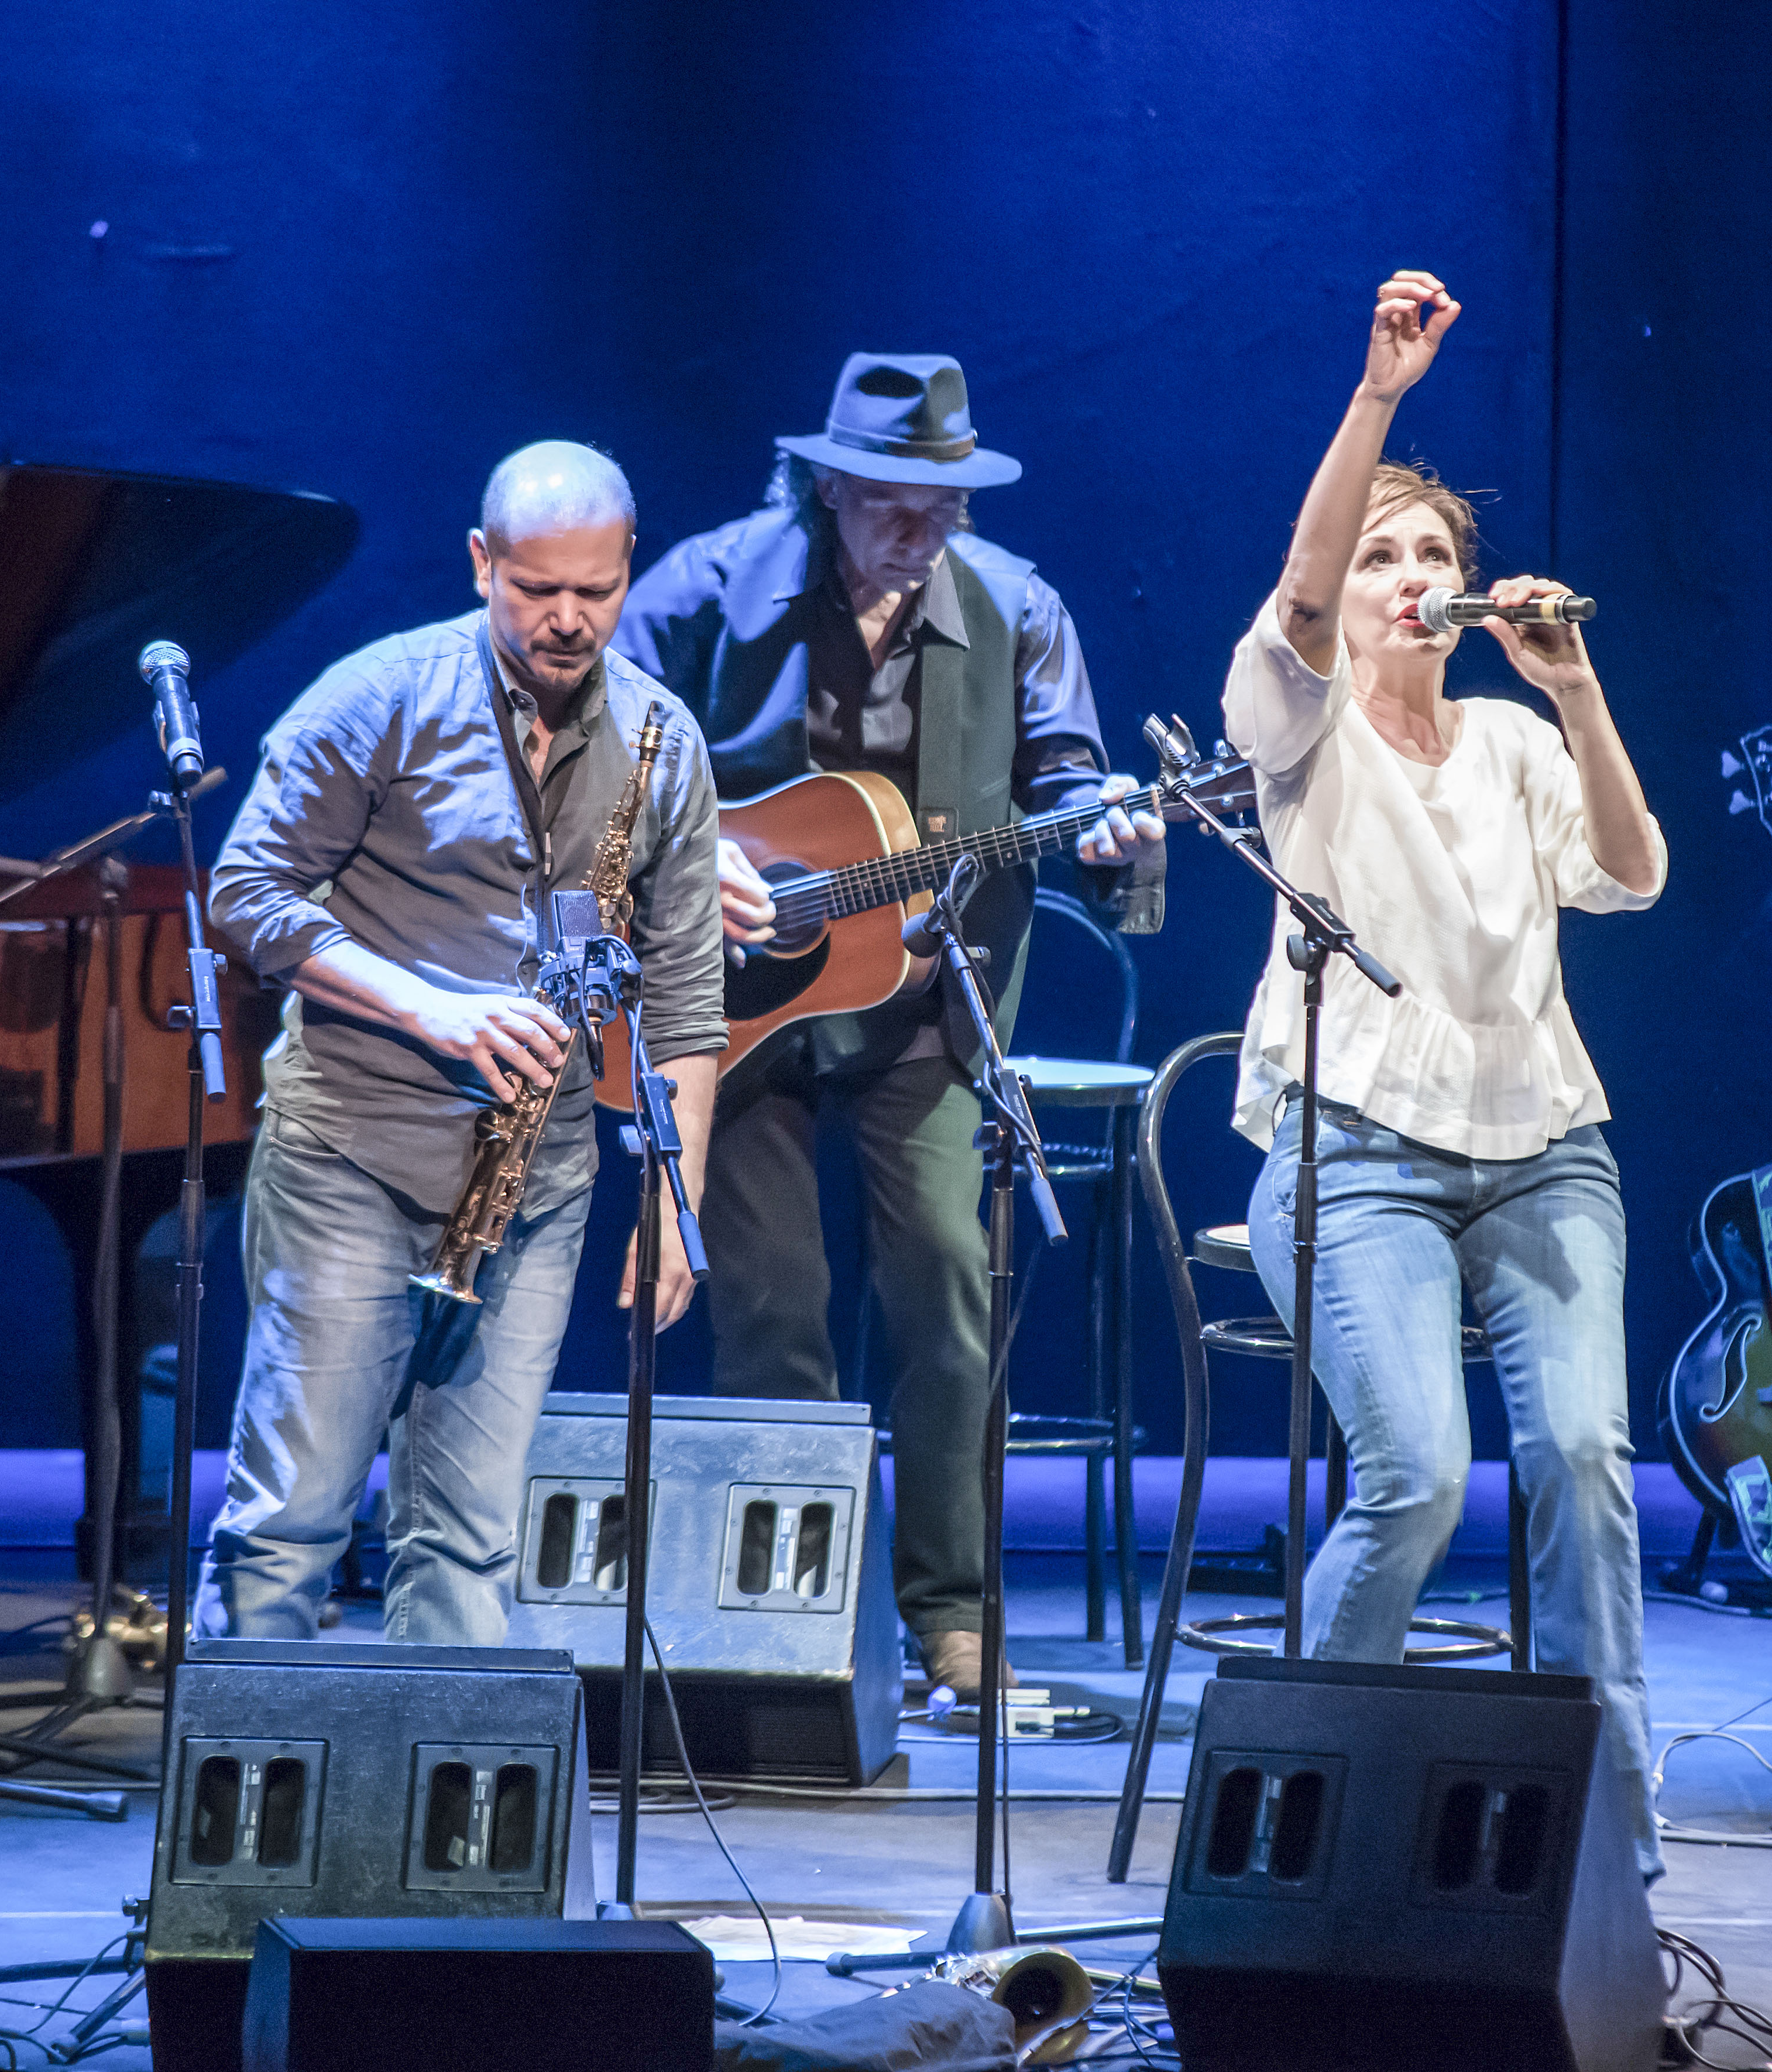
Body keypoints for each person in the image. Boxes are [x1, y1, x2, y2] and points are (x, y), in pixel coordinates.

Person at [615, 353, 1163, 1699]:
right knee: (771, 1309)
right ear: (831, 483)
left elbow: (1067, 775)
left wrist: (1112, 835)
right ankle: (793, 1609)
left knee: (942, 1293)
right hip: (730, 1013)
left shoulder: (1015, 607)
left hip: (929, 1000)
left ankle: (950, 1610)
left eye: (945, 497)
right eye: (893, 496)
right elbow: (596, 769)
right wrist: (687, 865)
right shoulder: (701, 587)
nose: (920, 524)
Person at [1225, 271, 1666, 1880]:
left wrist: (1573, 685)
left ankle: (1611, 1834)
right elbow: (1290, 585)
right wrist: (1379, 398)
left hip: (1544, 1145)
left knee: (1581, 1461)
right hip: (1354, 1151)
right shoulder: (1298, 726)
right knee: (1413, 1472)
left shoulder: (1511, 737)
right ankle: (1294, 1810)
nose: (1409, 578)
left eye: (1435, 559)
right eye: (1382, 559)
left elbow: (1629, 874)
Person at [197, 440, 726, 1642]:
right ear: (481, 562)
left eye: (594, 592)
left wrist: (675, 1189)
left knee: (471, 1536)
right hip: (354, 1156)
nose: (566, 620)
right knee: (291, 1519)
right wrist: (429, 1007)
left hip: (535, 1188)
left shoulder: (662, 742)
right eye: (536, 589)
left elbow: (689, 992)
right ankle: (254, 1814)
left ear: (626, 571)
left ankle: (443, 1821)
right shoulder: (379, 696)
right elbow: (247, 893)